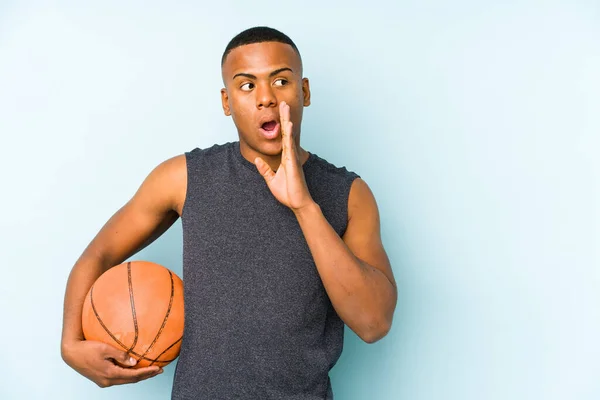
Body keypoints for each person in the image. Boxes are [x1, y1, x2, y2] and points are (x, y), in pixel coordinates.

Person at [61, 26, 397, 399]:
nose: (266, 98)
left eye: (281, 81)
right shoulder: (182, 178)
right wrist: (70, 344)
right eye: (247, 85)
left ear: (303, 92)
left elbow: (373, 323)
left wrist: (304, 205)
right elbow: (99, 254)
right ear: (226, 101)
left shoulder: (349, 194)